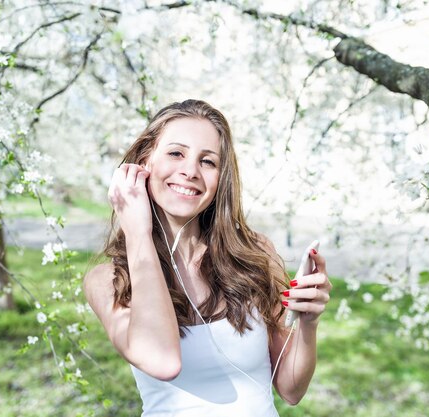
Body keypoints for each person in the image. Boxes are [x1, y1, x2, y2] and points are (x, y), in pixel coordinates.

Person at [83, 99, 331, 416]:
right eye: (176, 153)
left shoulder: (254, 254)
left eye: (208, 161)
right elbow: (163, 361)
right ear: (145, 161)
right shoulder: (109, 280)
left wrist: (308, 325)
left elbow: (291, 390)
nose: (190, 171)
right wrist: (138, 232)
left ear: (221, 177)